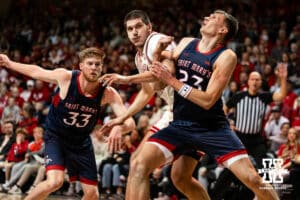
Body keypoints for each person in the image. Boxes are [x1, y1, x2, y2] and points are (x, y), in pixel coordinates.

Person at [125, 10, 279, 200]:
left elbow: (208, 100)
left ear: (223, 29)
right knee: (160, 171)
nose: (206, 18)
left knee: (252, 179)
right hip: (180, 125)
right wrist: (156, 54)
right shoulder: (185, 43)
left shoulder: (226, 56)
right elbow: (158, 84)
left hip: (212, 129)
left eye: (213, 17)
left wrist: (172, 81)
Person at [0, 47, 135, 200]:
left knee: (92, 194)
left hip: (81, 141)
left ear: (102, 68)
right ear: (81, 66)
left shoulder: (108, 93)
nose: (94, 68)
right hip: (56, 136)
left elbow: (130, 122)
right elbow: (36, 71)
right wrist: (10, 64)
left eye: (98, 65)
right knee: (54, 182)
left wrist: (118, 127)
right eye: (90, 64)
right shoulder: (66, 77)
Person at [100, 10, 209, 199]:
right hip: (179, 112)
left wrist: (124, 79)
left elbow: (166, 71)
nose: (134, 32)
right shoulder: (139, 57)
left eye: (138, 27)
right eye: (129, 29)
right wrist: (122, 118)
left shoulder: (154, 42)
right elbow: (146, 92)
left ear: (149, 27)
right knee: (181, 178)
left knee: (138, 163)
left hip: (193, 111)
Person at [226, 69, 287, 168]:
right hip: (239, 138)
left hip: (256, 139)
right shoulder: (238, 97)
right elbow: (224, 109)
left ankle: (264, 183)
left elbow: (281, 96)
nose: (254, 82)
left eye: (257, 80)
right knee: (232, 169)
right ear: (248, 81)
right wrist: (228, 123)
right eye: (252, 79)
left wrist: (283, 78)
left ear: (261, 82)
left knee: (263, 167)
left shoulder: (264, 97)